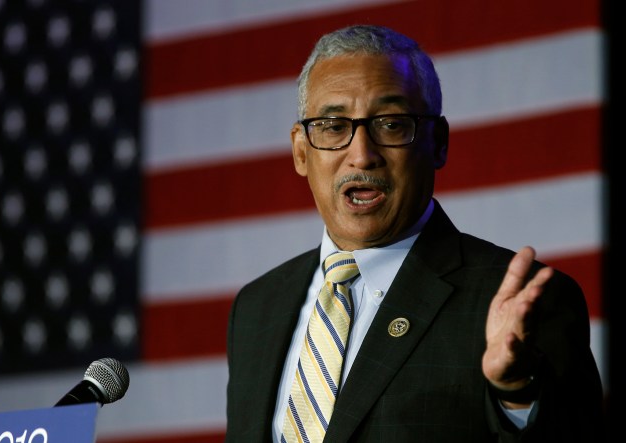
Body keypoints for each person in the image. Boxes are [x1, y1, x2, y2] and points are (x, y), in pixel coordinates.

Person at [224, 24, 605, 442]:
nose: (362, 155)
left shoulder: (519, 302)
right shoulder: (257, 308)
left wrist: (517, 394)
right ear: (301, 151)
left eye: (390, 124)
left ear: (438, 143)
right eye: (333, 126)